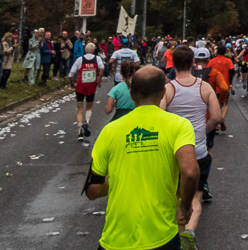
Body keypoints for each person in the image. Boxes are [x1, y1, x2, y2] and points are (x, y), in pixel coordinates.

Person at [86, 65, 200, 250]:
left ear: (131, 94)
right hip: (161, 237)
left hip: (116, 239)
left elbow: (92, 190)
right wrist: (185, 207)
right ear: (163, 93)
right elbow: (190, 172)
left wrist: (116, 180)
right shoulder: (179, 125)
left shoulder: (109, 131)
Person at [162, 46, 222, 248]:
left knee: (177, 195)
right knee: (195, 196)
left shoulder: (168, 89)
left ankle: (179, 236)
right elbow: (216, 117)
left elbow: (159, 117)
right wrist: (201, 133)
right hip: (198, 150)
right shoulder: (204, 87)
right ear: (193, 62)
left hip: (174, 152)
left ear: (173, 63)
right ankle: (189, 231)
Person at [70, 40, 105, 139]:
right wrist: (99, 79)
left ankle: (79, 130)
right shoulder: (97, 58)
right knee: (89, 107)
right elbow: (102, 68)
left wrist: (72, 83)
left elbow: (70, 74)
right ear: (94, 50)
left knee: (79, 109)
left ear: (85, 51)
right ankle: (87, 122)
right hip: (91, 86)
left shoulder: (79, 59)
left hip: (81, 86)